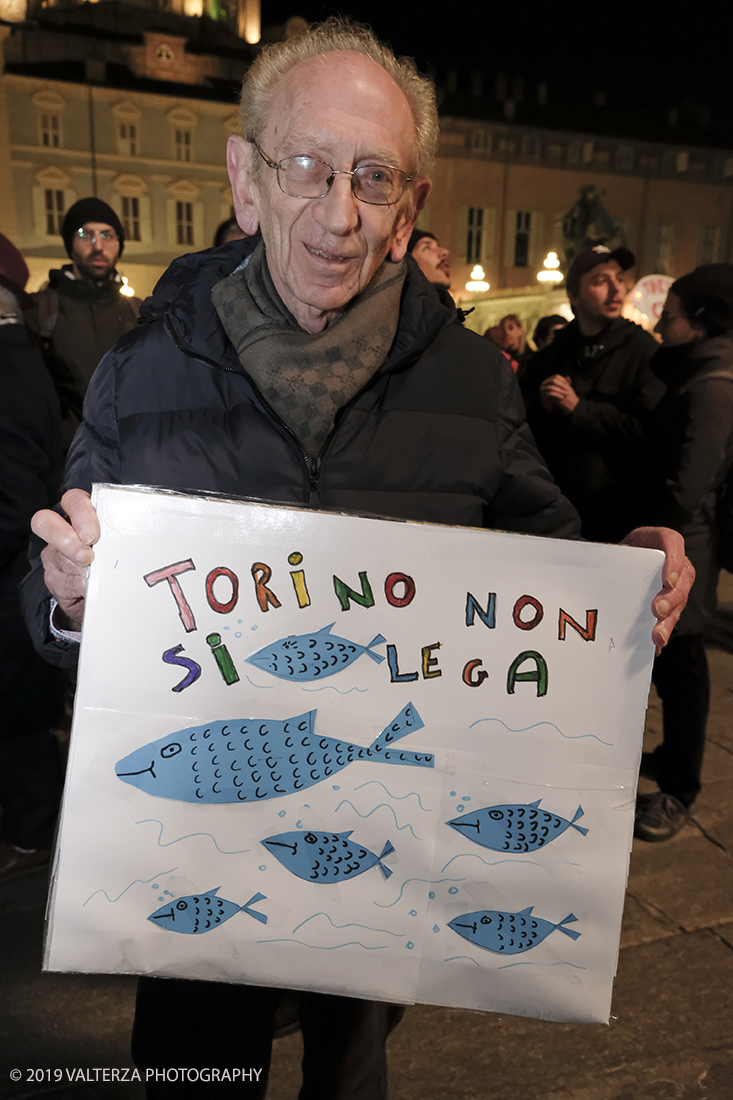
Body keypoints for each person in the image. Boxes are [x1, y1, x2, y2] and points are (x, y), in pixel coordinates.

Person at [22, 18, 692, 1098]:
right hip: (199, 854)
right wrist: (68, 603)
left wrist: (630, 584)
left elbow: (548, 573)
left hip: (383, 858)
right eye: (308, 167)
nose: (339, 214)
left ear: (410, 205)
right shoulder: (140, 367)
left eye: (373, 178)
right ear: (245, 179)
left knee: (350, 1077)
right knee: (193, 1070)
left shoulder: (475, 381)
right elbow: (48, 613)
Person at [634, 265, 733, 840]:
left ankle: (680, 787)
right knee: (672, 664)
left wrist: (655, 531)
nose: (659, 324)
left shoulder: (715, 385)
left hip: (686, 544)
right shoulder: (696, 371)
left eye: (667, 316)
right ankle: (672, 758)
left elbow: (689, 484)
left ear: (698, 321)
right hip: (675, 537)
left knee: (684, 664)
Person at [0, 233, 67, 879]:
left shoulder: (10, 361)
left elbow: (19, 482)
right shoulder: (22, 354)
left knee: (18, 722)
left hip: (11, 571)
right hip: (16, 568)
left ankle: (32, 837)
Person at [520, 245, 664, 542]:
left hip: (616, 515)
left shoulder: (643, 351)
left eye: (620, 279)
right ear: (574, 295)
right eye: (600, 281)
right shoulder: (553, 354)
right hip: (555, 512)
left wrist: (578, 408)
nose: (616, 289)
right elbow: (519, 427)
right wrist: (543, 406)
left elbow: (648, 432)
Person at [25, 197, 142, 447]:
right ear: (70, 244)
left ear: (119, 244)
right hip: (65, 464)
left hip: (130, 461)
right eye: (84, 234)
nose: (97, 245)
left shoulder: (138, 312)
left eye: (107, 235)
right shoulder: (41, 310)